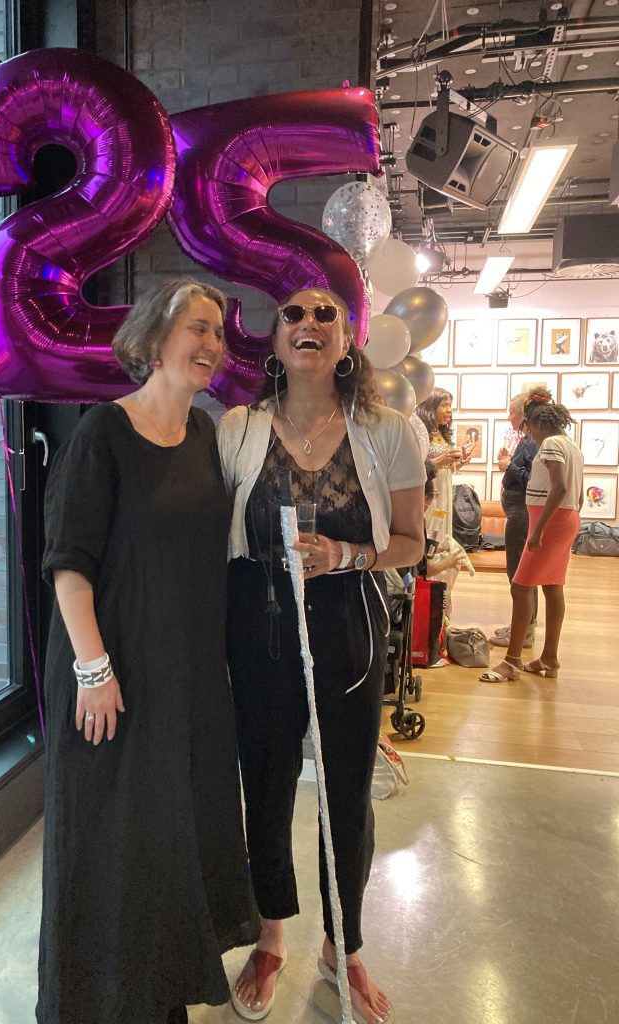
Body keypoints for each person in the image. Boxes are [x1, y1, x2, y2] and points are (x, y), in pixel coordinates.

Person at [36, 278, 259, 1024]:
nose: (211, 344)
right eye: (197, 327)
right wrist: (93, 671)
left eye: (219, 334)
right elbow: (69, 565)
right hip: (114, 682)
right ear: (154, 335)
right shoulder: (102, 433)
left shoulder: (205, 435)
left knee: (170, 844)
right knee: (111, 844)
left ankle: (156, 998)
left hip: (187, 684)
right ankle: (95, 1004)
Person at [217, 288, 425, 1024]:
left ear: (348, 342)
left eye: (324, 316)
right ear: (275, 342)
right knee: (267, 782)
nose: (308, 324)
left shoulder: (388, 430)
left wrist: (344, 553)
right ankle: (272, 935)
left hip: (349, 624)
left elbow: (411, 542)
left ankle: (347, 947)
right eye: (293, 316)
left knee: (345, 791)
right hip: (258, 623)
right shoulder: (237, 430)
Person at [480, 394, 584, 683]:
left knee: (521, 585)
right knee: (552, 586)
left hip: (548, 521)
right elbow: (576, 492)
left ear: (538, 424)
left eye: (530, 428)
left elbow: (560, 487)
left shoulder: (550, 444)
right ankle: (549, 656)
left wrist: (538, 529)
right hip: (566, 518)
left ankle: (512, 661)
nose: (530, 435)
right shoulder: (571, 446)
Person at [489, 392, 540, 649]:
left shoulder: (532, 442)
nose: (509, 417)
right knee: (524, 573)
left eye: (512, 412)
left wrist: (509, 465)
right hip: (519, 512)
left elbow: (532, 478)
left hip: (521, 513)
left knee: (519, 574)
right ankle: (523, 626)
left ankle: (524, 633)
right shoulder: (528, 440)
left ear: (524, 414)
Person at [413, 388, 469, 548]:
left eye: (450, 405)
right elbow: (417, 465)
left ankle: (442, 567)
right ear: (431, 407)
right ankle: (429, 566)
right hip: (429, 487)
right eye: (445, 405)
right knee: (430, 525)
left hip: (444, 487)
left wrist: (459, 463)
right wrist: (441, 460)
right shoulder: (420, 431)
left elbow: (445, 467)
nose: (449, 410)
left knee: (442, 527)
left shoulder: (442, 432)